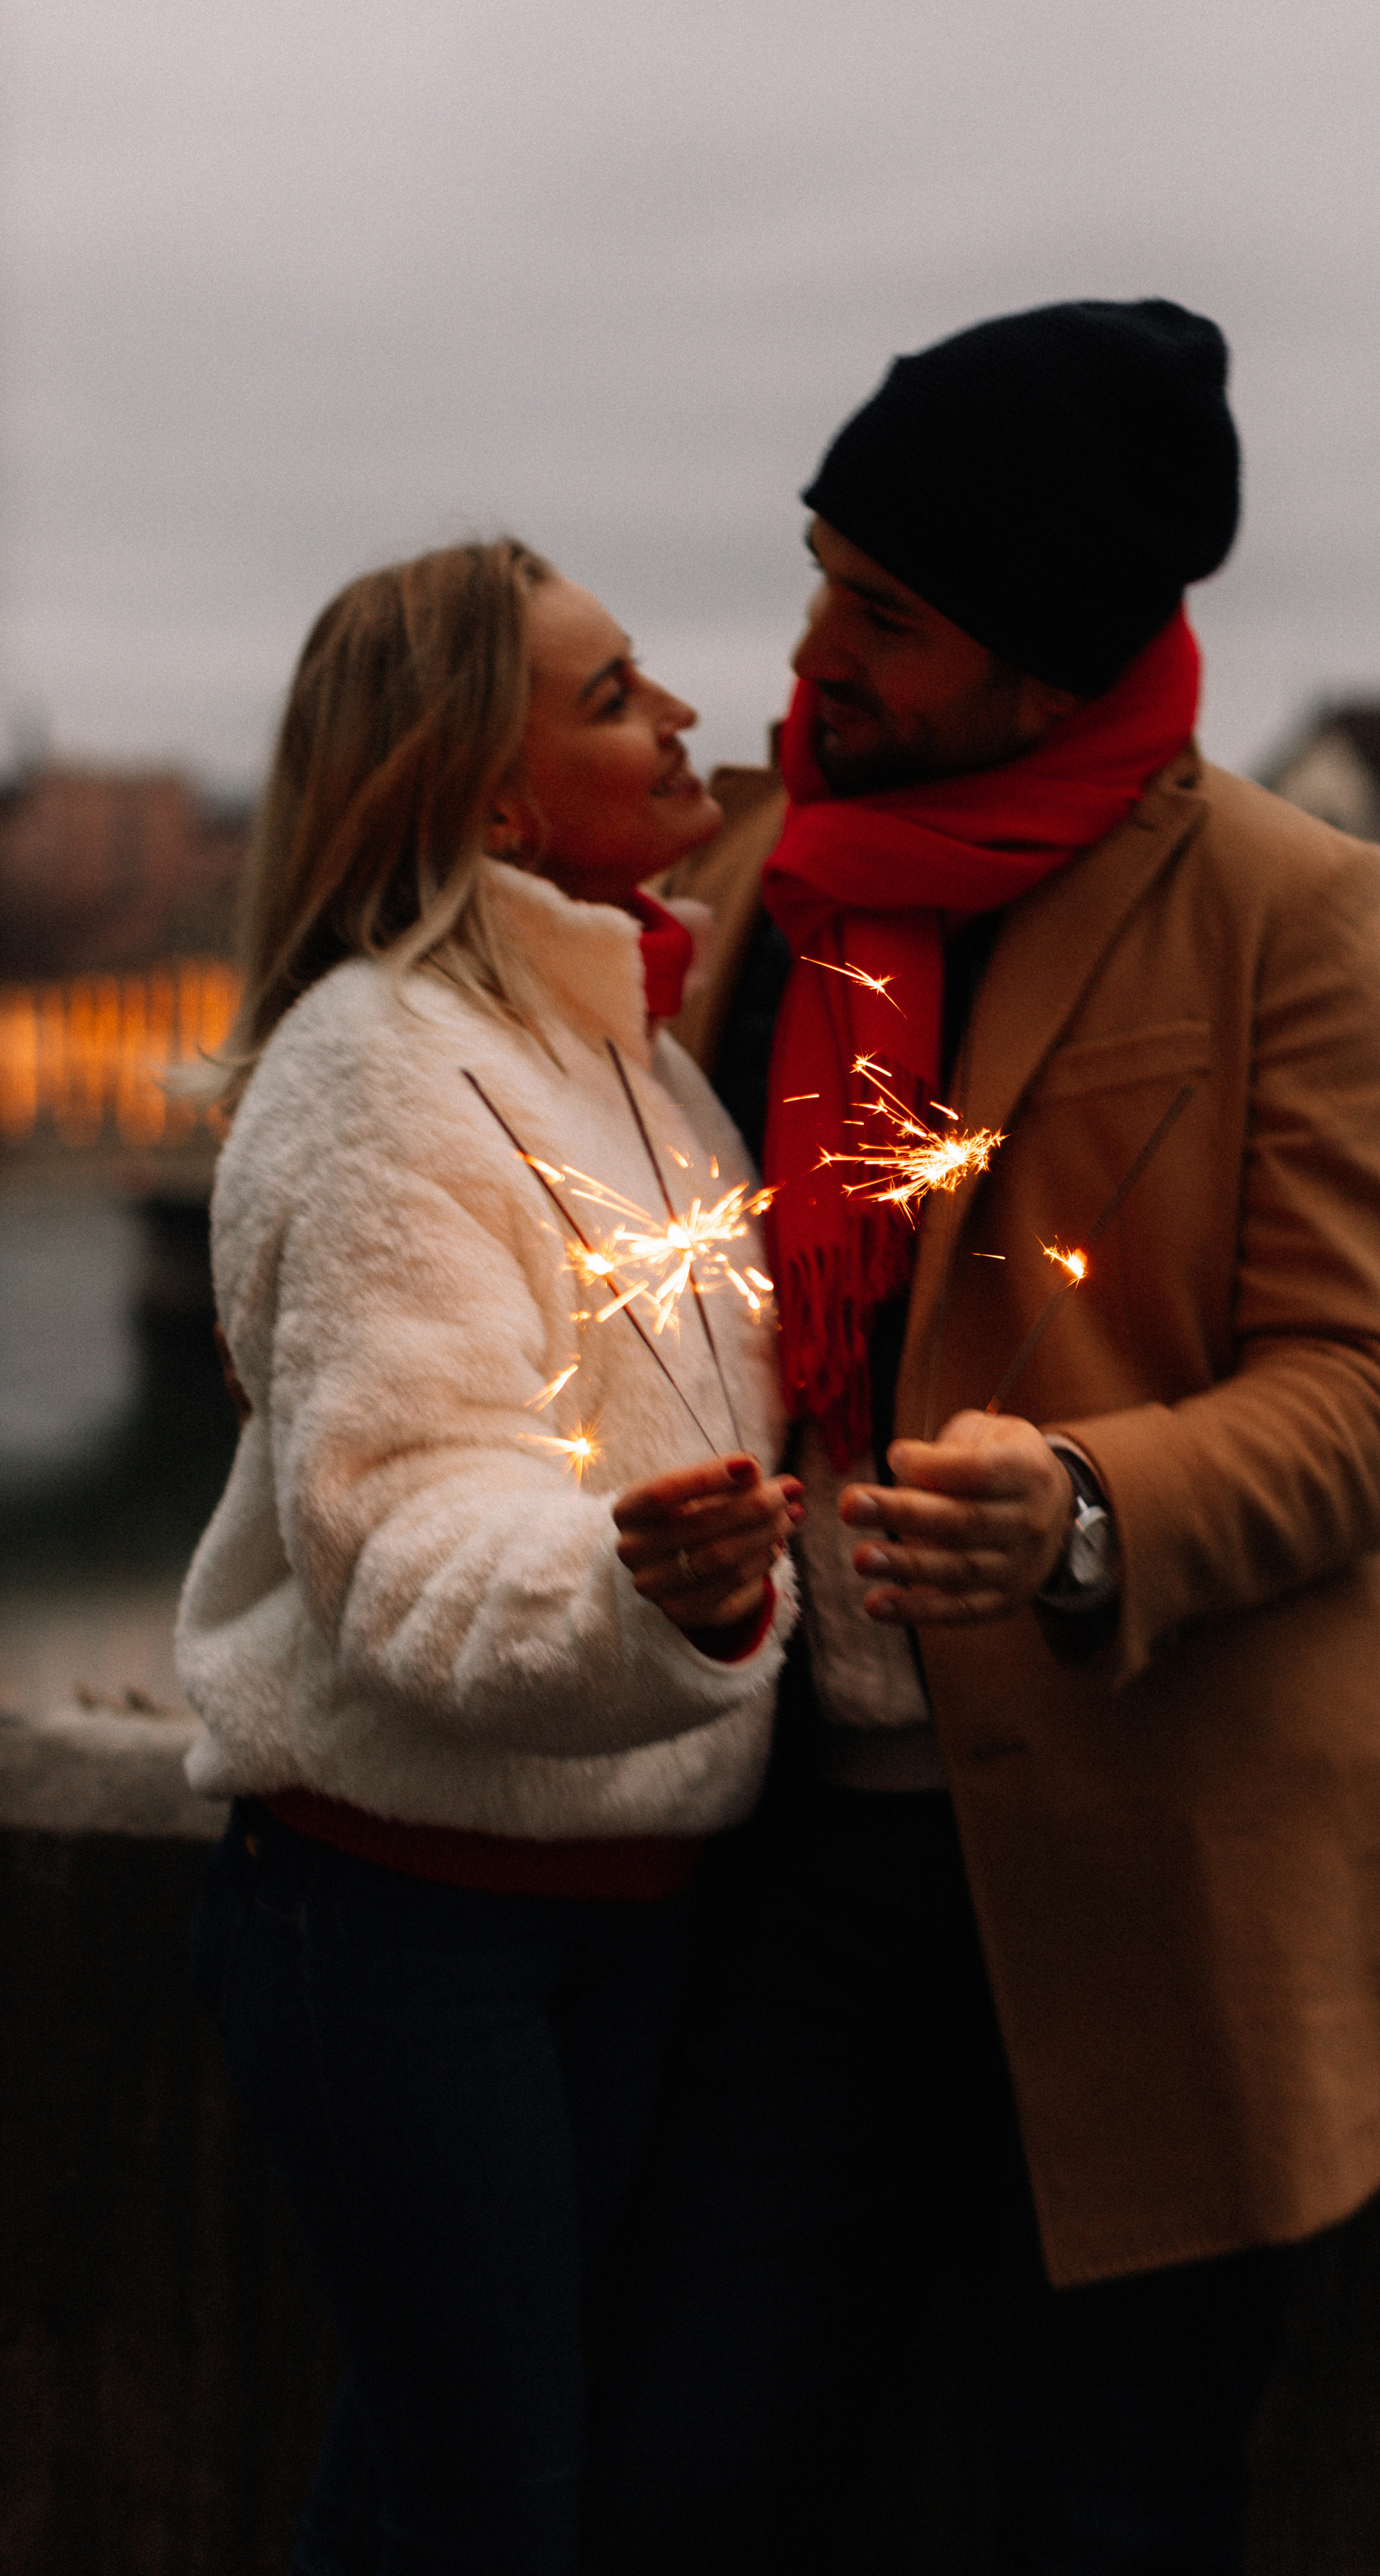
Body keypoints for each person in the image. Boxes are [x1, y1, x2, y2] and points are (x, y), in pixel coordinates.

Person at [587, 301, 1380, 2574]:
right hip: (794, 1870)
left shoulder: (1297, 907)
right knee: (677, 2496)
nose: (811, 653)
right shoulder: (751, 876)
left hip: (1154, 1891)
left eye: (885, 615)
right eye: (820, 576)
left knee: (1113, 2519)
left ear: (1049, 664)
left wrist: (1092, 1507)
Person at [177, 536, 799, 2576]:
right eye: (614, 695)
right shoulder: (377, 1071)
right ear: (498, 804)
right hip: (407, 1925)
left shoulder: (634, 1058)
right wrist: (642, 1594)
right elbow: (400, 1514)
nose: (684, 717)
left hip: (616, 1896)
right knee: (491, 2514)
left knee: (444, 2491)